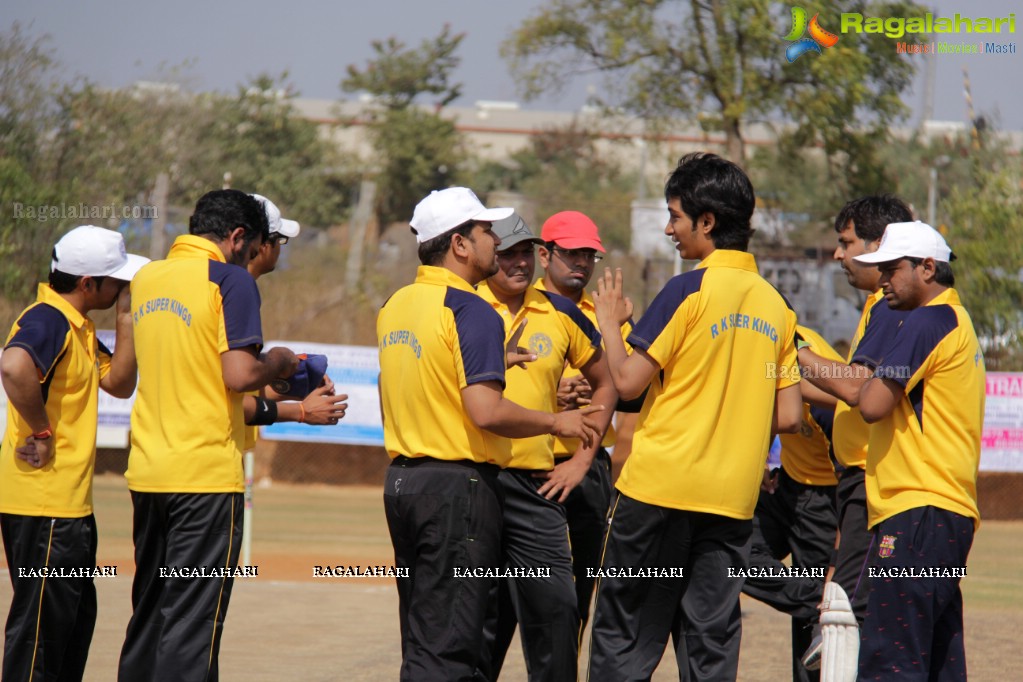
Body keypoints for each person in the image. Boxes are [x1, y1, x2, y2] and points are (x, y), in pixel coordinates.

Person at [587, 152, 803, 680]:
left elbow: (629, 381)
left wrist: (611, 325)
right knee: (709, 640)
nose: (669, 229)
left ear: (707, 222)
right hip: (730, 502)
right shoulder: (777, 306)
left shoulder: (687, 289)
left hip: (659, 493)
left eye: (675, 216)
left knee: (626, 634)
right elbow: (791, 415)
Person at [377, 187, 605, 681]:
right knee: (457, 639)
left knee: (426, 633)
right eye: (488, 234)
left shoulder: (398, 303)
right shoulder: (469, 308)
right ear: (460, 244)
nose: (501, 247)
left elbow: (406, 385)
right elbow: (483, 410)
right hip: (460, 486)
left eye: (524, 248)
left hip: (406, 483)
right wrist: (554, 421)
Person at [119, 189, 300, 681]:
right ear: (238, 237)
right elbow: (240, 374)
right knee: (193, 621)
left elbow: (124, 376)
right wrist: (280, 360)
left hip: (149, 473)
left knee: (151, 612)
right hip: (203, 479)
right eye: (255, 244)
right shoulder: (231, 280)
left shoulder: (146, 277)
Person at [0, 226, 147, 681]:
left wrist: (126, 316)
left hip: (68, 507)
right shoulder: (48, 319)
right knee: (39, 633)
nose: (122, 287)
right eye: (116, 282)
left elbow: (119, 384)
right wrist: (41, 428)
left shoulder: (76, 325)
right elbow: (13, 364)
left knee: (71, 625)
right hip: (44, 504)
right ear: (87, 284)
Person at [477, 213, 617, 681]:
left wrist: (582, 460)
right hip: (476, 480)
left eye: (523, 253)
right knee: (482, 620)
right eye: (507, 254)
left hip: (540, 484)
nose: (518, 263)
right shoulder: (463, 307)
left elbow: (608, 382)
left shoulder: (561, 313)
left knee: (559, 610)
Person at [853, 221, 984, 679]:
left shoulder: (926, 320)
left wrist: (797, 356)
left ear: (928, 267)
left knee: (890, 660)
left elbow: (869, 403)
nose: (882, 279)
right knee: (937, 661)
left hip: (917, 512)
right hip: (945, 514)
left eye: (891, 269)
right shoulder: (957, 318)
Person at [794, 195, 914, 674]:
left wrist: (791, 346)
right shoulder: (877, 307)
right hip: (857, 483)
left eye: (845, 244)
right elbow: (847, 389)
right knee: (847, 616)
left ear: (879, 245)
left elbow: (854, 388)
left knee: (846, 620)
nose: (838, 255)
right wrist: (771, 371)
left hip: (873, 483)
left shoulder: (889, 307)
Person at [535, 210, 638, 628]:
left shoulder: (608, 316)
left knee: (580, 594)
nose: (581, 263)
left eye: (589, 255)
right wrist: (550, 391)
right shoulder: (520, 305)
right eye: (571, 253)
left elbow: (628, 385)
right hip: (532, 462)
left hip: (589, 462)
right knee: (516, 588)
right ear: (545, 255)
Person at [742, 324, 842, 682]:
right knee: (733, 549)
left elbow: (855, 475)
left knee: (810, 642)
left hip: (825, 500)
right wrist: (759, 465)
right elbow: (766, 403)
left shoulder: (819, 382)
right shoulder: (765, 350)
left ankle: (826, 604)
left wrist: (838, 555)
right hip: (787, 486)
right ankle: (820, 601)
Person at [242, 194, 347, 436]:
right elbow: (226, 405)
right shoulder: (238, 292)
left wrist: (287, 387)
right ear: (262, 244)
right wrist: (300, 411)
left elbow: (234, 393)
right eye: (280, 240)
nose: (280, 248)